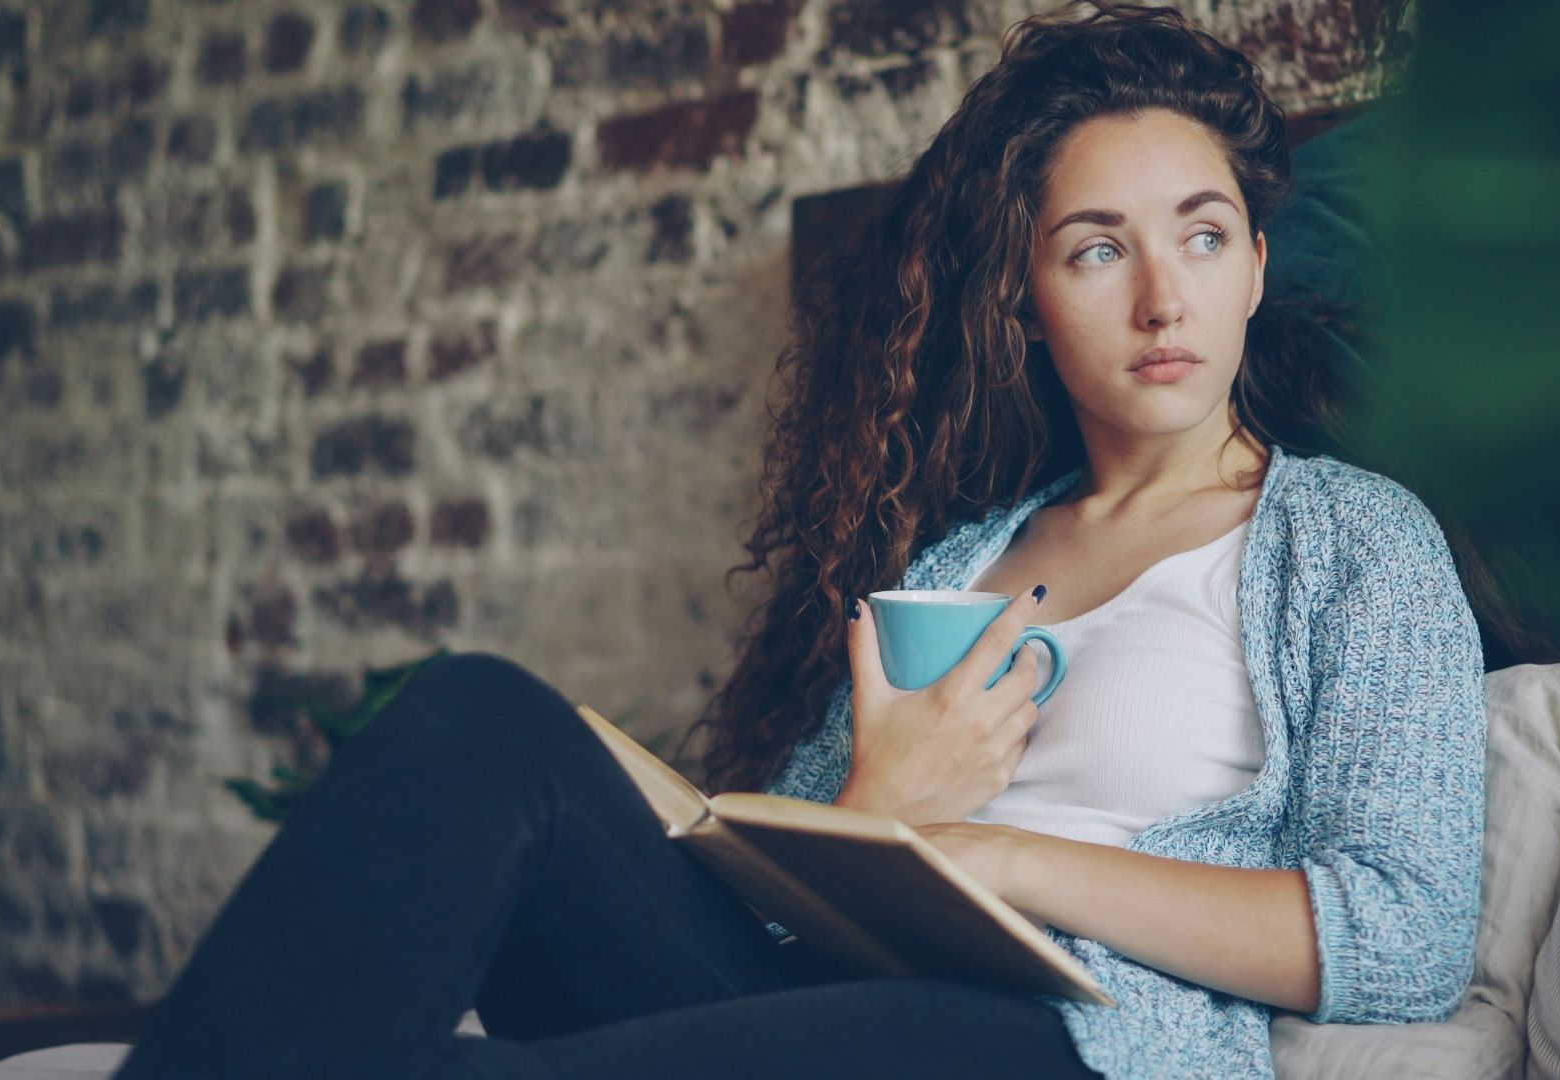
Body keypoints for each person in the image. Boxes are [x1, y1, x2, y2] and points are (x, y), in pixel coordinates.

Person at [114, 4, 1484, 1078]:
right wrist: (876, 808)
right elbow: (793, 888)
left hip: (1062, 1040)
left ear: (1256, 261)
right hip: (830, 990)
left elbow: (1407, 939)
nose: (1161, 297)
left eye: (1201, 235)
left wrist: (1005, 863)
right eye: (1096, 250)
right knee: (479, 714)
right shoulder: (959, 562)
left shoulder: (1351, 544)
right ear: (1027, 299)